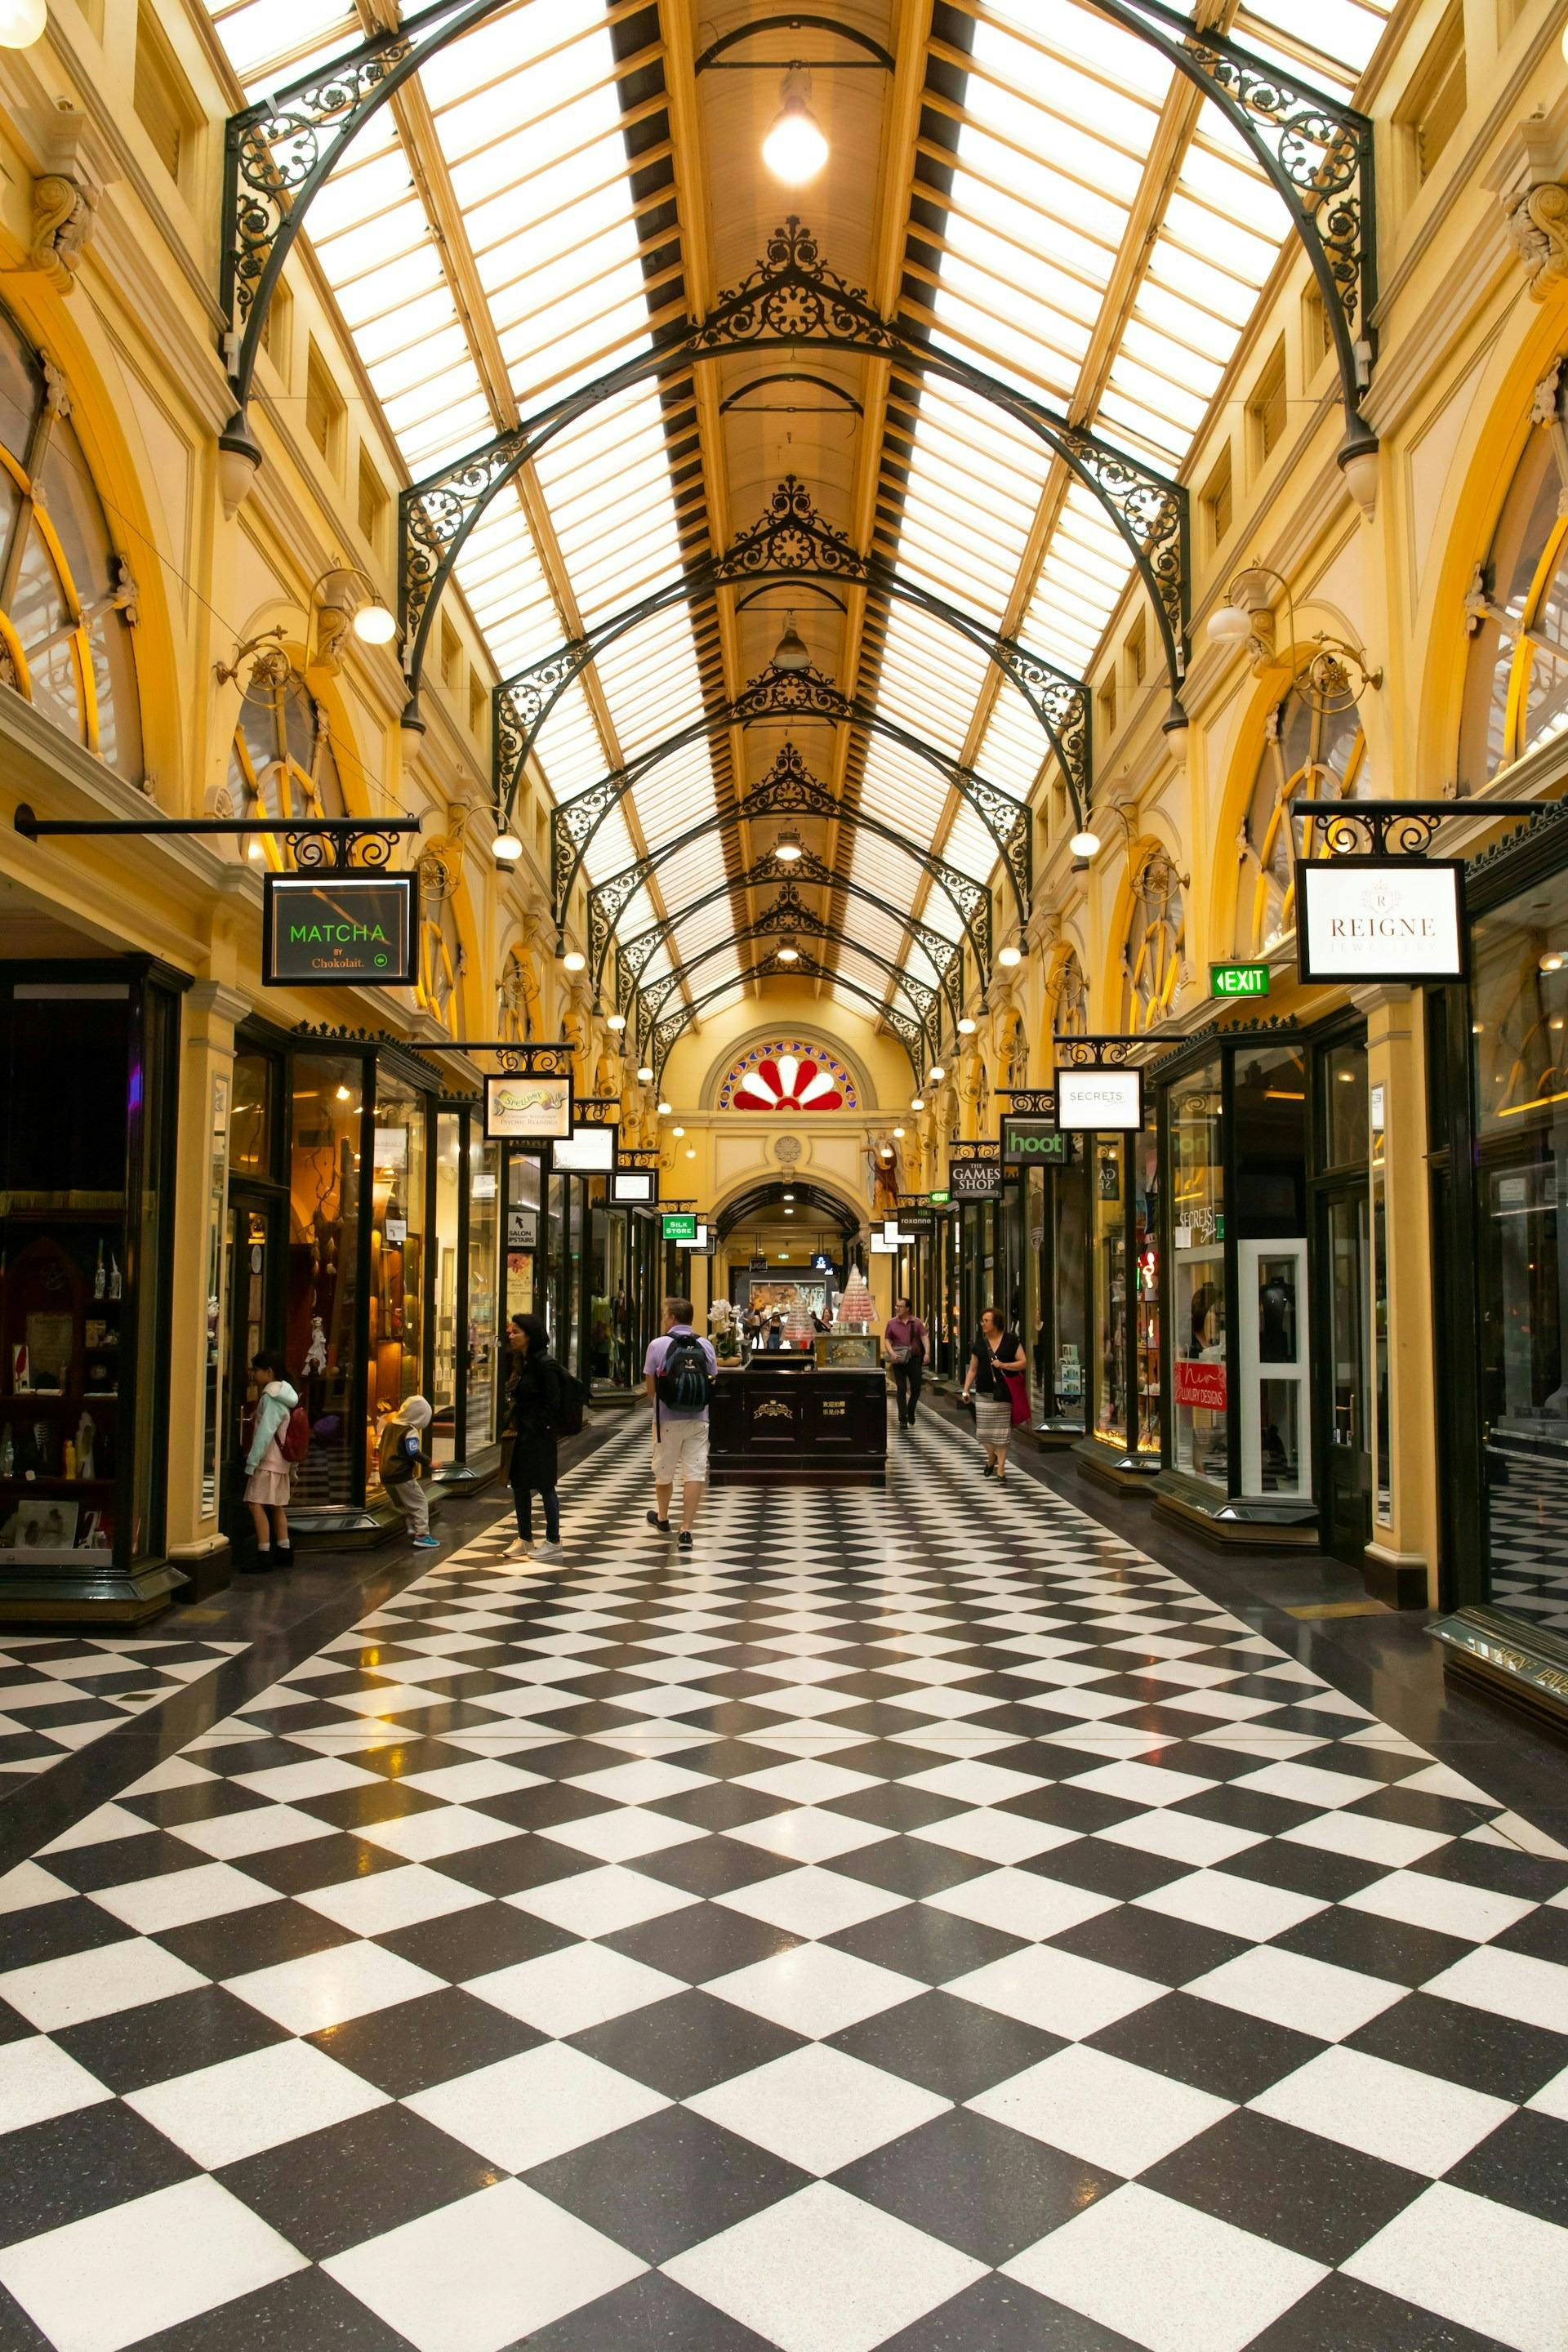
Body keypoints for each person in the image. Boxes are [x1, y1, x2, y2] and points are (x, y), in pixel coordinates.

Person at [644, 1296, 716, 1552]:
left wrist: (665, 1403)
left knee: (664, 1472)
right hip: (699, 1418)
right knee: (694, 1473)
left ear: (673, 1317)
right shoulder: (705, 1345)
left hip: (666, 1420)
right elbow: (713, 1379)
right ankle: (686, 1530)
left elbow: (651, 1389)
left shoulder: (657, 1345)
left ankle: (663, 1519)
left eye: (665, 1314)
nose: (663, 1318)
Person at [506, 1313, 564, 1561]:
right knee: (519, 1484)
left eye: (516, 1331)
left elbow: (553, 1403)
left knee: (545, 1485)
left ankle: (553, 1540)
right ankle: (525, 1537)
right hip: (522, 1433)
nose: (511, 1335)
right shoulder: (521, 1362)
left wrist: (541, 1427)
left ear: (529, 1335)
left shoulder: (544, 1364)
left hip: (539, 1435)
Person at [243, 1348, 298, 1570]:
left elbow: (265, 1432)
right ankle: (284, 1550)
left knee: (255, 1504)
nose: (254, 1375)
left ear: (269, 1372)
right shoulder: (285, 1394)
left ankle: (264, 1552)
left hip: (268, 1461)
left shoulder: (272, 1398)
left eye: (256, 1370)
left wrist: (252, 1462)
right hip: (281, 1461)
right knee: (276, 1506)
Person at [960, 1304, 1027, 1482]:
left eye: (986, 1321)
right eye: (983, 1321)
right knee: (983, 1433)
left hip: (1004, 1392)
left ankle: (1002, 1468)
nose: (983, 1324)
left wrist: (1004, 1365)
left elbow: (1023, 1362)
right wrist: (966, 1389)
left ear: (995, 1323)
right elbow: (973, 1369)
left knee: (1002, 1432)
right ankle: (992, 1457)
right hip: (983, 1392)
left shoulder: (1011, 1341)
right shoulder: (980, 1344)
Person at [380, 1396, 439, 1547]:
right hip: (402, 1474)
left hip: (386, 1473)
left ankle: (411, 1526)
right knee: (419, 1503)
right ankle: (422, 1535)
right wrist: (429, 1462)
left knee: (403, 1504)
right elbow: (413, 1452)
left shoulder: (390, 1426)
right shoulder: (410, 1431)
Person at [884, 1297, 928, 1428]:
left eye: (900, 1306)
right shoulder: (891, 1323)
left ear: (908, 1308)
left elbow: (924, 1338)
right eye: (896, 1306)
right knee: (901, 1389)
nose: (897, 1308)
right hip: (898, 1360)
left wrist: (927, 1353)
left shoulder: (917, 1323)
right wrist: (892, 1353)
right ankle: (902, 1418)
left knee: (916, 1388)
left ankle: (911, 1410)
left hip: (914, 1359)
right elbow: (887, 1340)